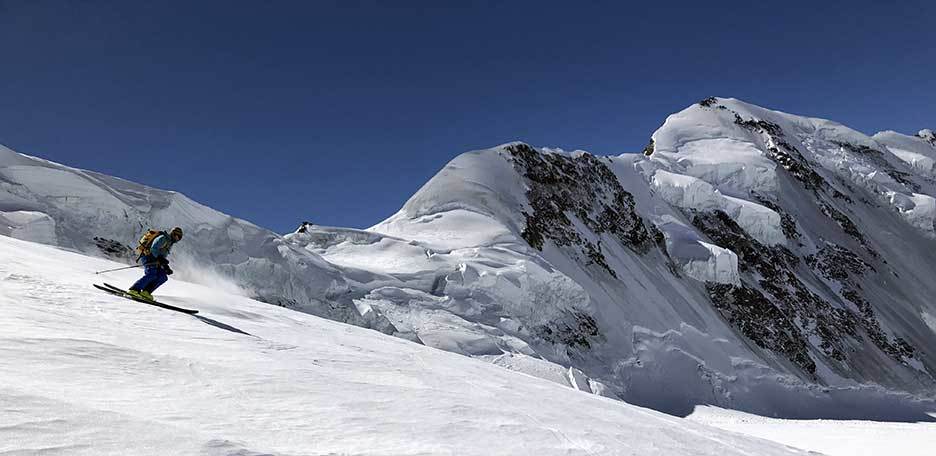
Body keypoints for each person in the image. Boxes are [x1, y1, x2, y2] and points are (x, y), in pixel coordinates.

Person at [128, 227, 183, 301]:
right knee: (151, 274)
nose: (178, 239)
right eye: (178, 236)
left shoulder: (170, 242)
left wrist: (165, 266)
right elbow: (153, 248)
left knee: (162, 277)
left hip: (156, 259)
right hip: (148, 256)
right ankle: (134, 289)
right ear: (173, 234)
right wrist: (160, 259)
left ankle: (146, 292)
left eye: (180, 237)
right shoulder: (163, 238)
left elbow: (162, 255)